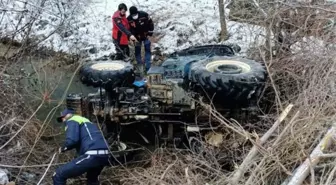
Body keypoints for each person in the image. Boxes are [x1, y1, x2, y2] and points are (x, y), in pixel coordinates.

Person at [53, 108, 110, 185]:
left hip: (92, 154)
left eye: (63, 118)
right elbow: (83, 140)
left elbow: (72, 141)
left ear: (68, 115)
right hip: (104, 154)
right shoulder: (86, 122)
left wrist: (63, 148)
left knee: (58, 175)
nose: (63, 120)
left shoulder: (72, 120)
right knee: (92, 179)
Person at [127, 6, 154, 72]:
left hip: (145, 35)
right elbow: (128, 29)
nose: (134, 16)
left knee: (147, 51)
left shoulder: (144, 15)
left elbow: (151, 23)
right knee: (137, 52)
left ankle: (148, 67)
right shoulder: (129, 19)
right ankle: (140, 68)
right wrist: (130, 38)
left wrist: (150, 34)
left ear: (137, 12)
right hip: (136, 38)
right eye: (133, 15)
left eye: (135, 14)